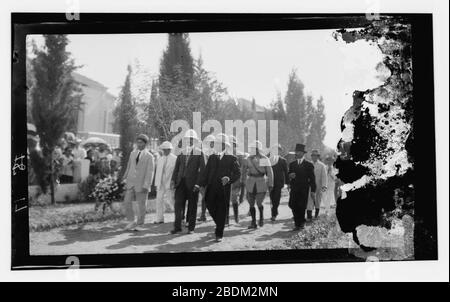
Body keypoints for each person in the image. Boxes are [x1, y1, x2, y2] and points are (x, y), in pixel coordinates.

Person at [199, 134, 240, 241]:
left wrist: (229, 179)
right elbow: (206, 173)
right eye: (215, 143)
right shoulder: (212, 157)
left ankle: (219, 234)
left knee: (222, 209)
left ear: (223, 145)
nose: (215, 145)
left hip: (224, 189)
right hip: (211, 187)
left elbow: (237, 173)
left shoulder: (231, 158)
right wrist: (199, 184)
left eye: (218, 144)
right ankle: (220, 222)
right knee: (208, 204)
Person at [170, 129, 205, 235]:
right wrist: (173, 180)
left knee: (192, 206)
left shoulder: (199, 153)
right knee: (178, 205)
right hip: (180, 183)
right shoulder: (181, 153)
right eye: (187, 139)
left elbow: (203, 171)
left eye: (191, 139)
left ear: (195, 141)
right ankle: (177, 227)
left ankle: (191, 228)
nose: (189, 141)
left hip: (193, 184)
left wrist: (198, 184)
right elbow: (176, 168)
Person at [122, 134, 155, 231]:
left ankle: (140, 224)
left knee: (141, 204)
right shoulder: (133, 153)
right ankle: (131, 221)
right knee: (127, 202)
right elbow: (129, 166)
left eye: (141, 142)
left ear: (145, 144)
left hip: (142, 184)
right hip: (130, 182)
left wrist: (147, 185)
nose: (138, 144)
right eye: (138, 142)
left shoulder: (149, 156)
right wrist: (125, 178)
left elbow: (150, 172)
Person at [242, 140, 274, 229]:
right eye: (251, 148)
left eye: (254, 148)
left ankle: (261, 218)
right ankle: (253, 222)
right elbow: (244, 170)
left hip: (261, 182)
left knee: (259, 202)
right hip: (250, 182)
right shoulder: (248, 159)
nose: (252, 150)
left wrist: (271, 184)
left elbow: (269, 172)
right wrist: (243, 180)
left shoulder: (264, 159)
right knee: (251, 203)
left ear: (258, 149)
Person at [288, 144, 316, 231]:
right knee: (292, 204)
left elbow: (312, 178)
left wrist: (313, 190)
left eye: (298, 152)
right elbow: (289, 174)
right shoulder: (292, 164)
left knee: (302, 205)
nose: (296, 153)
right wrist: (290, 175)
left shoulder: (309, 165)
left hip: (304, 188)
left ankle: (300, 224)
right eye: (296, 152)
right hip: (294, 188)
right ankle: (298, 223)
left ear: (303, 153)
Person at [153, 141, 177, 224]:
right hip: (160, 183)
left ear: (170, 149)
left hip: (170, 183)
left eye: (167, 149)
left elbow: (175, 172)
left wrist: (174, 182)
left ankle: (178, 217)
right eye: (164, 149)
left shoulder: (175, 159)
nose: (166, 151)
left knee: (171, 200)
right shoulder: (160, 159)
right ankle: (159, 218)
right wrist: (157, 183)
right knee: (159, 200)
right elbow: (158, 172)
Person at [226, 135, 247, 225]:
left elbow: (242, 169)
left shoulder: (240, 155)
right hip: (226, 180)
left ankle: (236, 216)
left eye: (233, 144)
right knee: (225, 199)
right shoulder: (225, 154)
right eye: (230, 144)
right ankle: (226, 219)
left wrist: (242, 181)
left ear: (235, 145)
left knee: (234, 198)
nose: (231, 146)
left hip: (236, 180)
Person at [268, 144, 289, 221]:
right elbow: (265, 171)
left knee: (276, 198)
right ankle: (274, 211)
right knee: (271, 197)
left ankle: (273, 214)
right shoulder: (268, 160)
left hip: (279, 183)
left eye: (278, 150)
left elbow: (286, 172)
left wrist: (288, 183)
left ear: (280, 151)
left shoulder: (283, 161)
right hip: (270, 182)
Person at [198, 134, 216, 222]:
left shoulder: (215, 153)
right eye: (211, 142)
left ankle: (205, 214)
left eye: (213, 142)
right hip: (207, 178)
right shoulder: (205, 153)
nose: (212, 144)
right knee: (205, 197)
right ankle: (203, 215)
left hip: (212, 178)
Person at [306, 149, 328, 220]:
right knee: (309, 200)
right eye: (312, 155)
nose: (313, 157)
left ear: (318, 156)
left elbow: (324, 176)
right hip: (310, 186)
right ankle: (309, 216)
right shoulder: (308, 164)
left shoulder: (322, 166)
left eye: (315, 155)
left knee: (317, 200)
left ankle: (316, 214)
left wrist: (324, 185)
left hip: (318, 186)